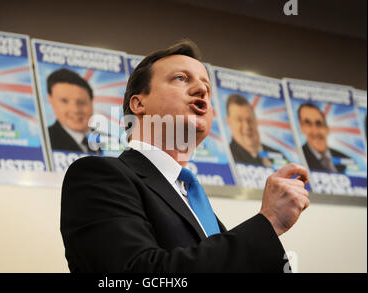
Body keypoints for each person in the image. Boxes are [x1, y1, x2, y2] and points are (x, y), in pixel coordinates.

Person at [60, 40, 310, 273]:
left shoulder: (192, 199)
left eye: (207, 87)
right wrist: (269, 221)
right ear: (138, 104)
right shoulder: (99, 175)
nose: (201, 88)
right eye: (181, 78)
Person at [46, 68, 100, 154]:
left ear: (91, 103)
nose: (75, 110)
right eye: (64, 101)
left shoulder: (111, 141)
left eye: (81, 102)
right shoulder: (45, 140)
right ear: (51, 101)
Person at [226, 93, 286, 167]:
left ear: (256, 120)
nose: (247, 126)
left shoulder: (278, 154)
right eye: (239, 120)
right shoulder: (227, 155)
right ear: (229, 122)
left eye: (250, 119)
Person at [298, 102, 349, 173]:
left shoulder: (346, 158)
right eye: (308, 123)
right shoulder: (298, 157)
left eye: (319, 124)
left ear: (327, 129)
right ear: (301, 128)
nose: (315, 131)